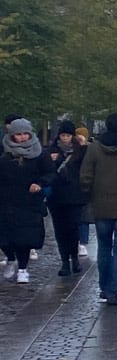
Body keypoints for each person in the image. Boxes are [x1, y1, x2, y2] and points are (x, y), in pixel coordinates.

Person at [78, 112, 117, 305]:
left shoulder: (95, 148)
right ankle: (114, 291)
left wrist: (89, 193)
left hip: (101, 205)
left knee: (104, 247)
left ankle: (104, 288)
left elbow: (85, 176)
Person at [0, 120, 52, 283]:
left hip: (29, 202)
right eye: (18, 134)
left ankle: (23, 268)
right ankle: (10, 258)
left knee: (25, 238)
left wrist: (40, 184)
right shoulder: (5, 153)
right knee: (4, 237)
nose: (22, 138)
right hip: (6, 200)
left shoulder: (40, 154)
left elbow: (50, 173)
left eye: (25, 134)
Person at [45, 120, 90, 278]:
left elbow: (87, 165)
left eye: (68, 135)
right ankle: (65, 261)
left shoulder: (80, 151)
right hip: (56, 197)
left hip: (74, 196)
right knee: (60, 230)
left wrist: (84, 146)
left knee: (73, 228)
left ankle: (74, 258)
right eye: (63, 135)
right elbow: (46, 170)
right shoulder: (52, 150)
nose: (65, 138)